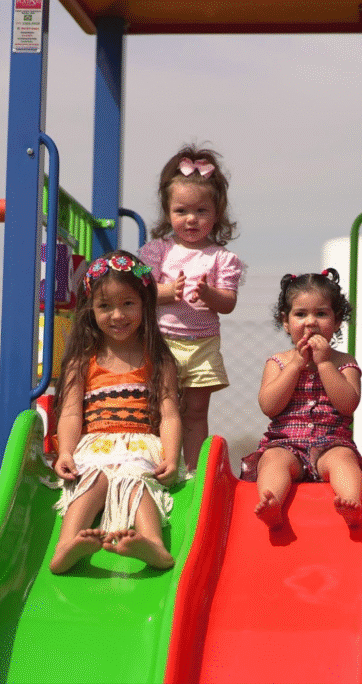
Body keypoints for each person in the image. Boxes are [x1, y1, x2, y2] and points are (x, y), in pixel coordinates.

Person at [48, 249, 182, 574]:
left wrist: (172, 457)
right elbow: (69, 414)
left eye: (128, 304)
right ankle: (67, 545)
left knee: (136, 478)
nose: (117, 315)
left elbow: (169, 414)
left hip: (140, 443)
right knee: (92, 478)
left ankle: (152, 543)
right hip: (95, 443)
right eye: (105, 306)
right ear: (90, 310)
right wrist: (65, 451)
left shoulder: (157, 360)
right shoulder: (83, 360)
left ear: (145, 305)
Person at [240, 269, 362, 529]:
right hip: (285, 444)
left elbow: (348, 404)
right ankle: (272, 504)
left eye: (321, 314)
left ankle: (351, 504)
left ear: (336, 323)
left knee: (343, 462)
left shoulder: (344, 362)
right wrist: (295, 366)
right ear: (286, 321)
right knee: (273, 461)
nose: (311, 322)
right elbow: (269, 406)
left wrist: (324, 365)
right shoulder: (279, 362)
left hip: (331, 444)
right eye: (301, 314)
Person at [139, 145, 243, 472]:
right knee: (161, 407)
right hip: (163, 342)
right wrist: (169, 292)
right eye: (182, 211)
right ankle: (161, 463)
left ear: (217, 213)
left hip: (203, 345)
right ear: (168, 212)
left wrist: (208, 293)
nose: (191, 219)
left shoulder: (222, 258)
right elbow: (140, 292)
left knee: (196, 411)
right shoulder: (157, 251)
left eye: (201, 211)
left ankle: (195, 472)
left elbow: (228, 302)